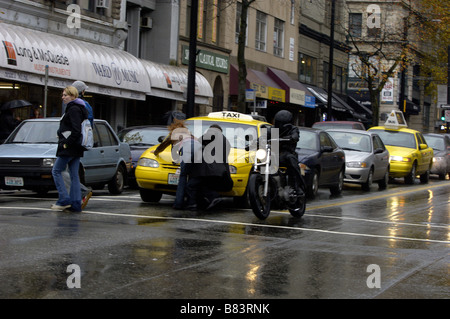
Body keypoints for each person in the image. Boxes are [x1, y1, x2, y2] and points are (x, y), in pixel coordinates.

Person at [51, 86, 88, 212]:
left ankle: (64, 199)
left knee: (56, 171)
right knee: (74, 175)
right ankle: (76, 204)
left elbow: (76, 130)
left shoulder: (73, 109)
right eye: (62, 95)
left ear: (73, 96)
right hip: (76, 148)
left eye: (65, 95)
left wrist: (66, 144)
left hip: (69, 148)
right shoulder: (79, 108)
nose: (63, 97)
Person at [154, 120, 200, 210]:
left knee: (183, 176)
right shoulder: (190, 135)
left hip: (187, 149)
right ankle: (192, 203)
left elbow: (163, 145)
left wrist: (156, 152)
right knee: (193, 176)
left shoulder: (174, 134)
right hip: (198, 150)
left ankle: (178, 203)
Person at [61, 81, 93, 210]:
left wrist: (66, 142)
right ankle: (76, 199)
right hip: (79, 142)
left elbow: (75, 126)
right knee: (72, 171)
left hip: (73, 142)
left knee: (60, 170)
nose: (63, 97)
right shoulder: (85, 105)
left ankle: (76, 195)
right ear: (82, 92)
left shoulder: (75, 106)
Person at [185, 124, 233, 211]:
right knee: (203, 185)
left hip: (206, 169)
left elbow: (198, 145)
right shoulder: (226, 141)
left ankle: (193, 204)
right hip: (219, 171)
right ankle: (211, 199)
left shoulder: (210, 135)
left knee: (191, 185)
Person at [272, 110, 303, 193]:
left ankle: (297, 186)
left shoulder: (293, 129)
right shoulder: (272, 129)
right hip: (274, 154)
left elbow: (295, 135)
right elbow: (264, 136)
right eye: (278, 122)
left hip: (287, 153)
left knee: (291, 159)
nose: (280, 125)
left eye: (282, 123)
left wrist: (292, 138)